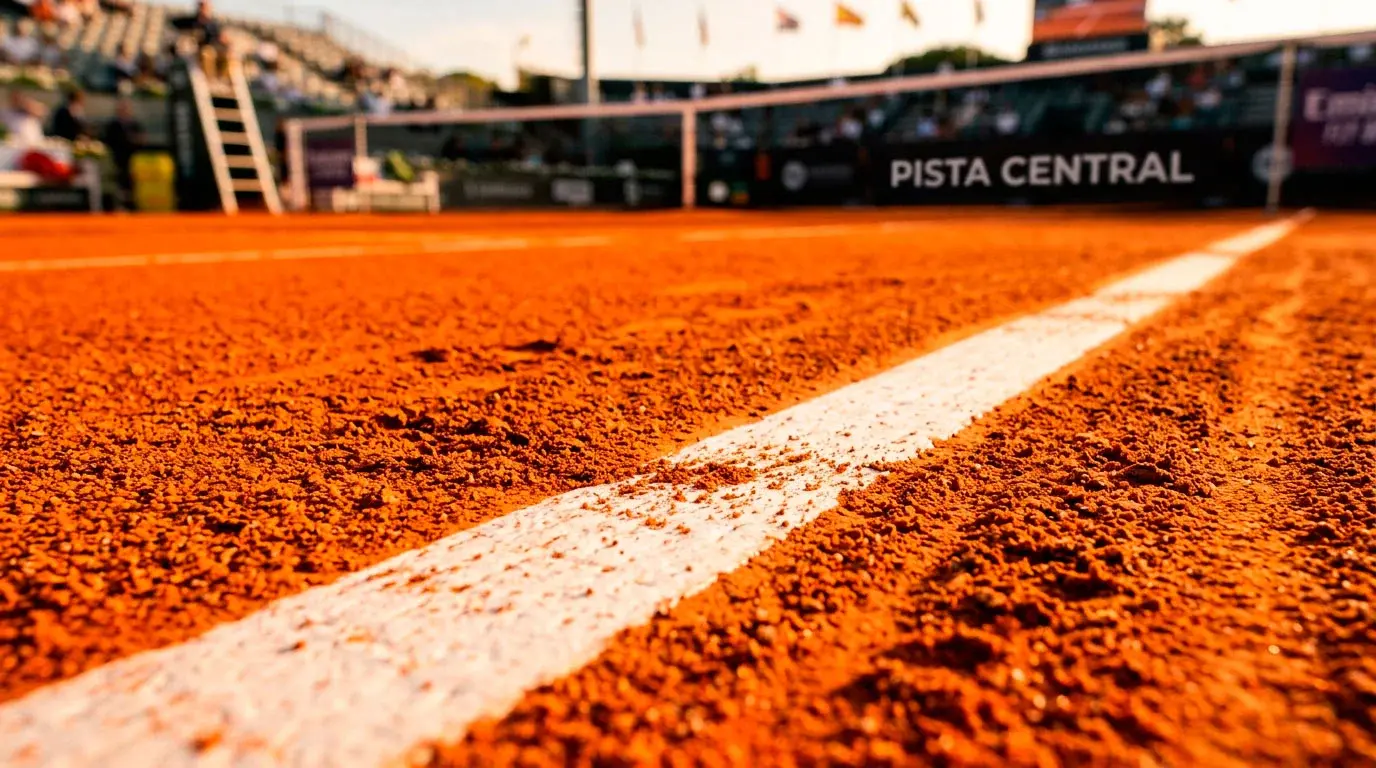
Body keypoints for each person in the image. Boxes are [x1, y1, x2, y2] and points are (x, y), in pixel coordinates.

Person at [103, 98, 143, 210]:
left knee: (131, 182)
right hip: (117, 158)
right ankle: (119, 205)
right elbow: (108, 140)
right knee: (118, 182)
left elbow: (141, 139)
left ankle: (132, 205)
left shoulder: (134, 124)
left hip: (132, 158)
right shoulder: (113, 125)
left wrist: (134, 140)